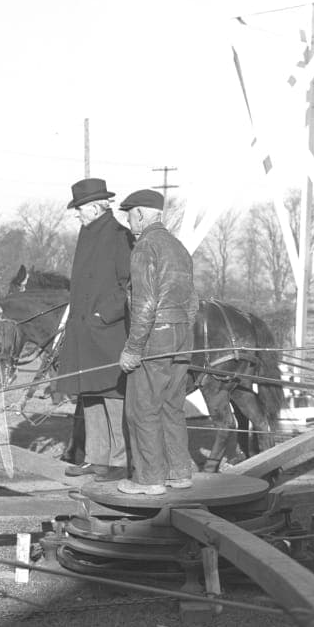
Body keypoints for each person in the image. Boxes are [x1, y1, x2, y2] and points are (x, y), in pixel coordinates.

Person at [115, 189, 200, 496]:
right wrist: (181, 335)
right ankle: (179, 473)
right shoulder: (179, 248)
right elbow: (193, 303)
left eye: (129, 214)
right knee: (172, 407)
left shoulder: (144, 248)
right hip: (182, 338)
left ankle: (149, 479)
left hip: (154, 339)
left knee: (142, 409)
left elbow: (145, 305)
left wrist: (133, 349)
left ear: (141, 213)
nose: (127, 220)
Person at [55, 178, 133, 482]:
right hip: (84, 333)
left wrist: (104, 315)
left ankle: (118, 461)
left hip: (108, 332)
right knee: (89, 394)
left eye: (80, 209)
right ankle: (94, 459)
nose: (78, 214)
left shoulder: (119, 236)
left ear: (96, 207)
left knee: (113, 395)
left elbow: (127, 285)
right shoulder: (86, 234)